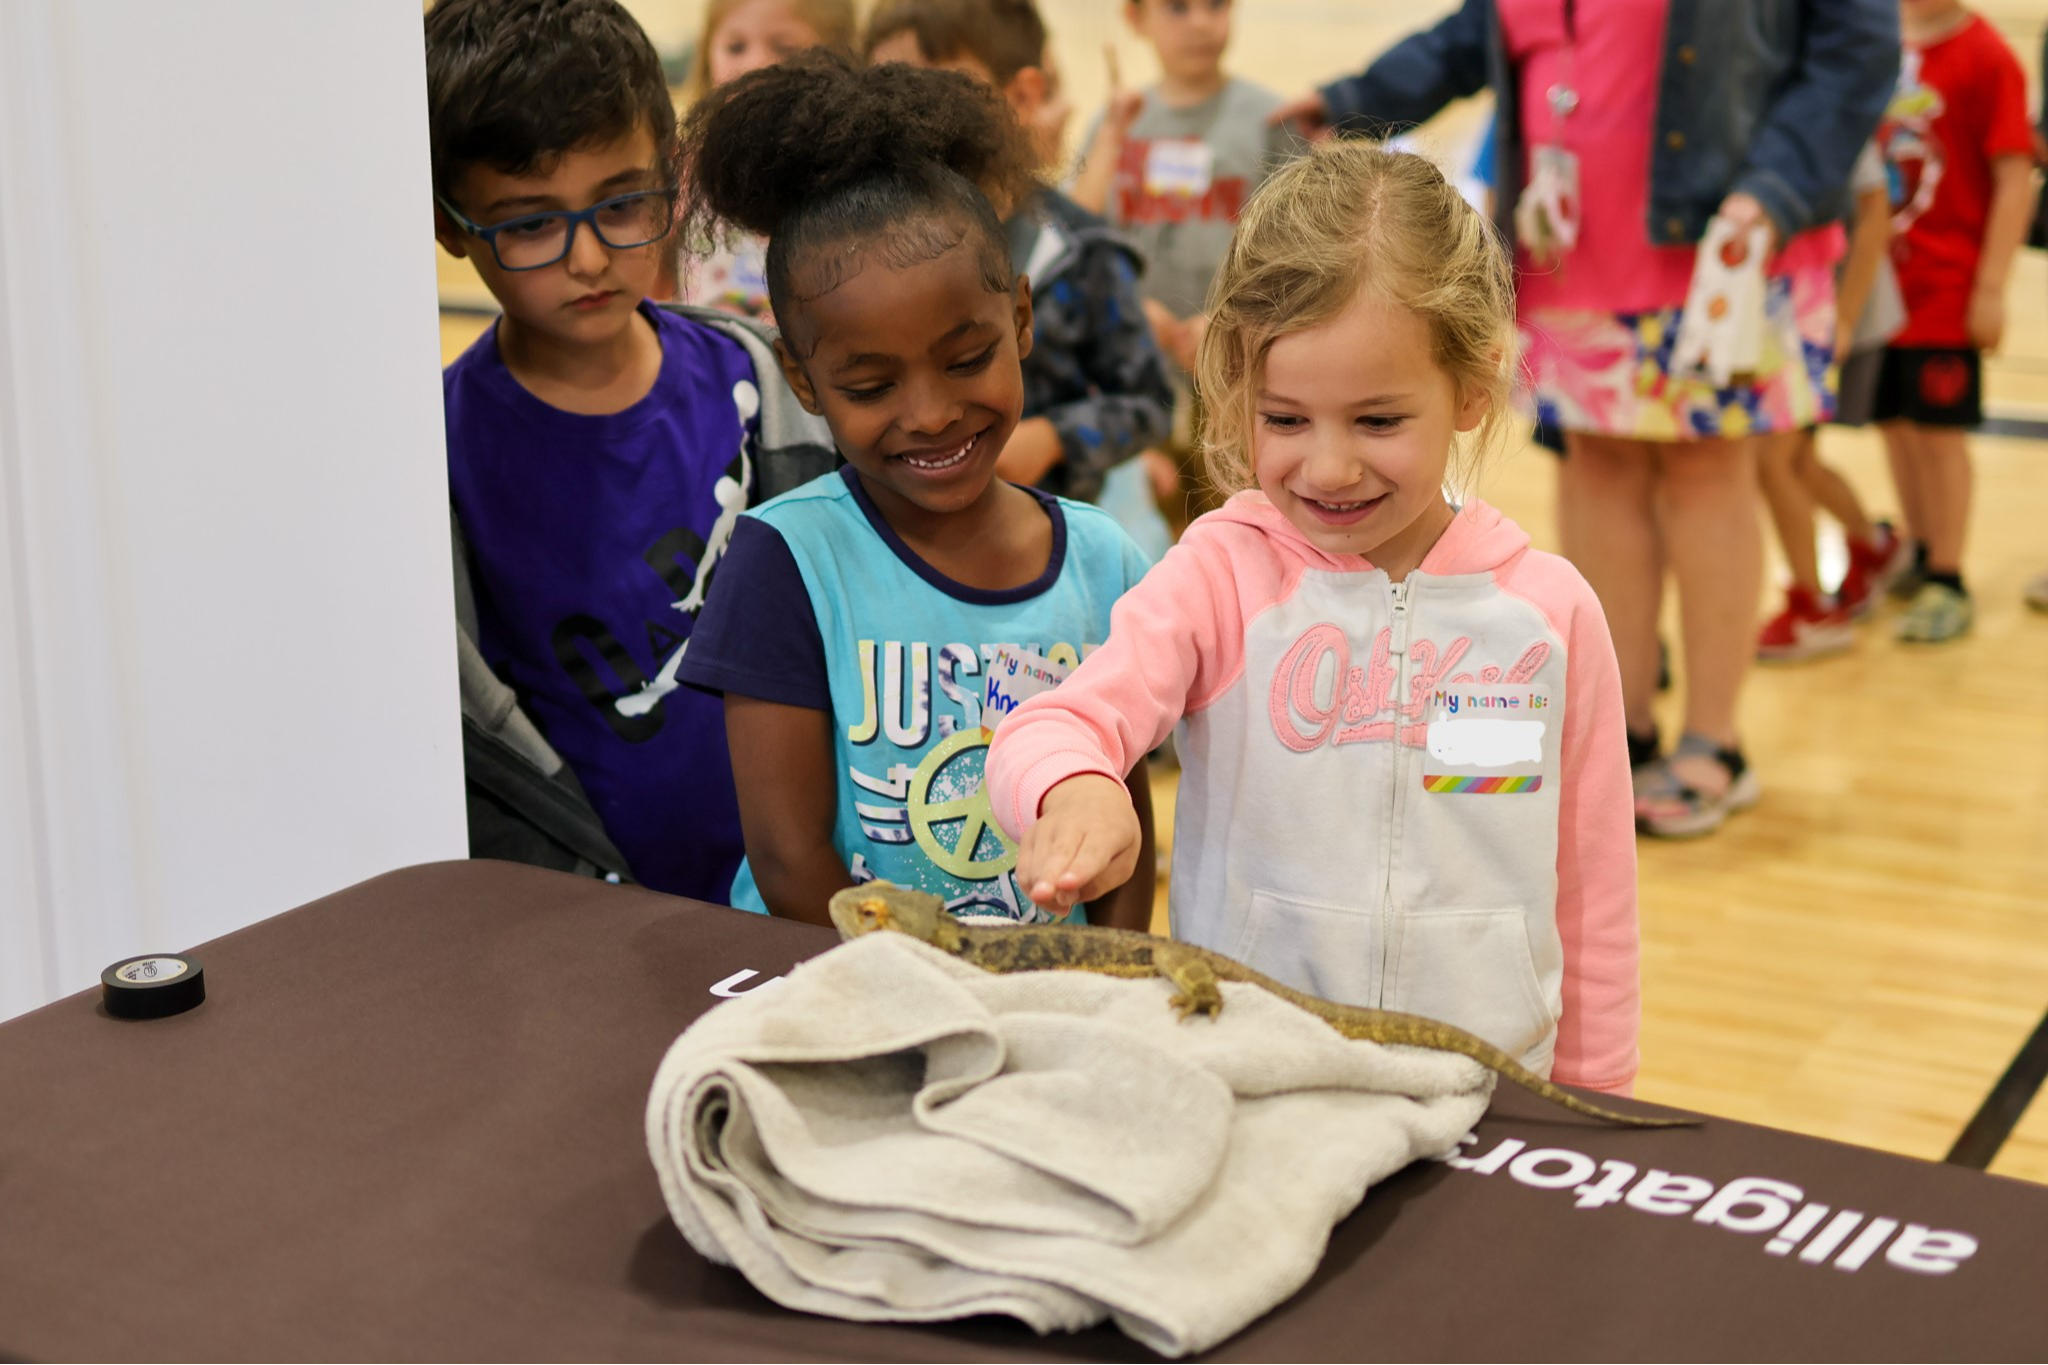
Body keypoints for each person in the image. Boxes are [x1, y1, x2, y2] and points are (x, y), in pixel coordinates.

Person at [987, 142, 1640, 1093]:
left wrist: (1597, 1090)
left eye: (1378, 421)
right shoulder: (1220, 573)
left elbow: (1592, 885)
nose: (1328, 468)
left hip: (1491, 1088)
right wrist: (1074, 786)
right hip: (1257, 1072)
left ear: (1471, 386)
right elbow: (1056, 722)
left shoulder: (1548, 616)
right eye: (1286, 420)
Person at [1269, 0, 1898, 837]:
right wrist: (1347, 99)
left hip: (1727, 243)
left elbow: (1857, 47)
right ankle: (1622, 732)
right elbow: (1481, 31)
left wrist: (1774, 190)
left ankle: (1715, 741)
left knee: (1709, 470)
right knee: (1597, 468)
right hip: (1567, 244)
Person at [677, 52, 1157, 930]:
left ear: (1020, 317)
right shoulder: (787, 561)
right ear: (805, 377)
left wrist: (1109, 990)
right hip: (846, 989)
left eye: (967, 358)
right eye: (870, 386)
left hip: (1052, 1015)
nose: (931, 413)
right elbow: (789, 858)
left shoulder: (1103, 563)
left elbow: (1119, 829)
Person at [429, 0, 834, 899]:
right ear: (453, 225)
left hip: (795, 901)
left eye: (622, 204)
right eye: (531, 223)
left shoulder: (765, 388)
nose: (589, 258)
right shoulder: (440, 456)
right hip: (583, 926)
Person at [864, 0, 1177, 558]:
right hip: (904, 546)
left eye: (929, 92)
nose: (902, 118)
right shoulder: (863, 245)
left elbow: (1150, 403)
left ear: (1022, 97)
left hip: (1050, 552)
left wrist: (1056, 436)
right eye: (882, 95)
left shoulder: (1081, 251)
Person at [1067, 0, 1298, 532]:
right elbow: (1077, 235)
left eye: (1215, 5)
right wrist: (1126, 308)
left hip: (1240, 380)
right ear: (1135, 18)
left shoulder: (1271, 122)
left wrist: (1233, 325)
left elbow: (1298, 257)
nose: (1199, 22)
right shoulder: (1115, 121)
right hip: (1131, 379)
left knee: (1237, 533)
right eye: (1177, 8)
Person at [1872, 0, 2036, 643]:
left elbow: (2015, 177)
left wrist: (1991, 288)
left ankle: (1948, 574)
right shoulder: (1872, 41)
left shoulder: (1988, 55)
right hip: (1878, 292)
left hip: (1946, 293)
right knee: (1894, 424)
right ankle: (1918, 547)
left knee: (1939, 435)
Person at [1756, 141, 1913, 662]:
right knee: (1793, 460)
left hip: (1834, 314)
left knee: (1774, 461)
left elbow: (1873, 213)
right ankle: (1874, 546)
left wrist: (1843, 318)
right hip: (1797, 316)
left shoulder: (1828, 97)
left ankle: (1813, 608)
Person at [676, 0, 857, 321]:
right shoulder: (687, 166)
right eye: (735, 46)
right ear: (706, 55)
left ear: (836, 59)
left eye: (785, 48)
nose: (755, 64)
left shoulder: (844, 168)